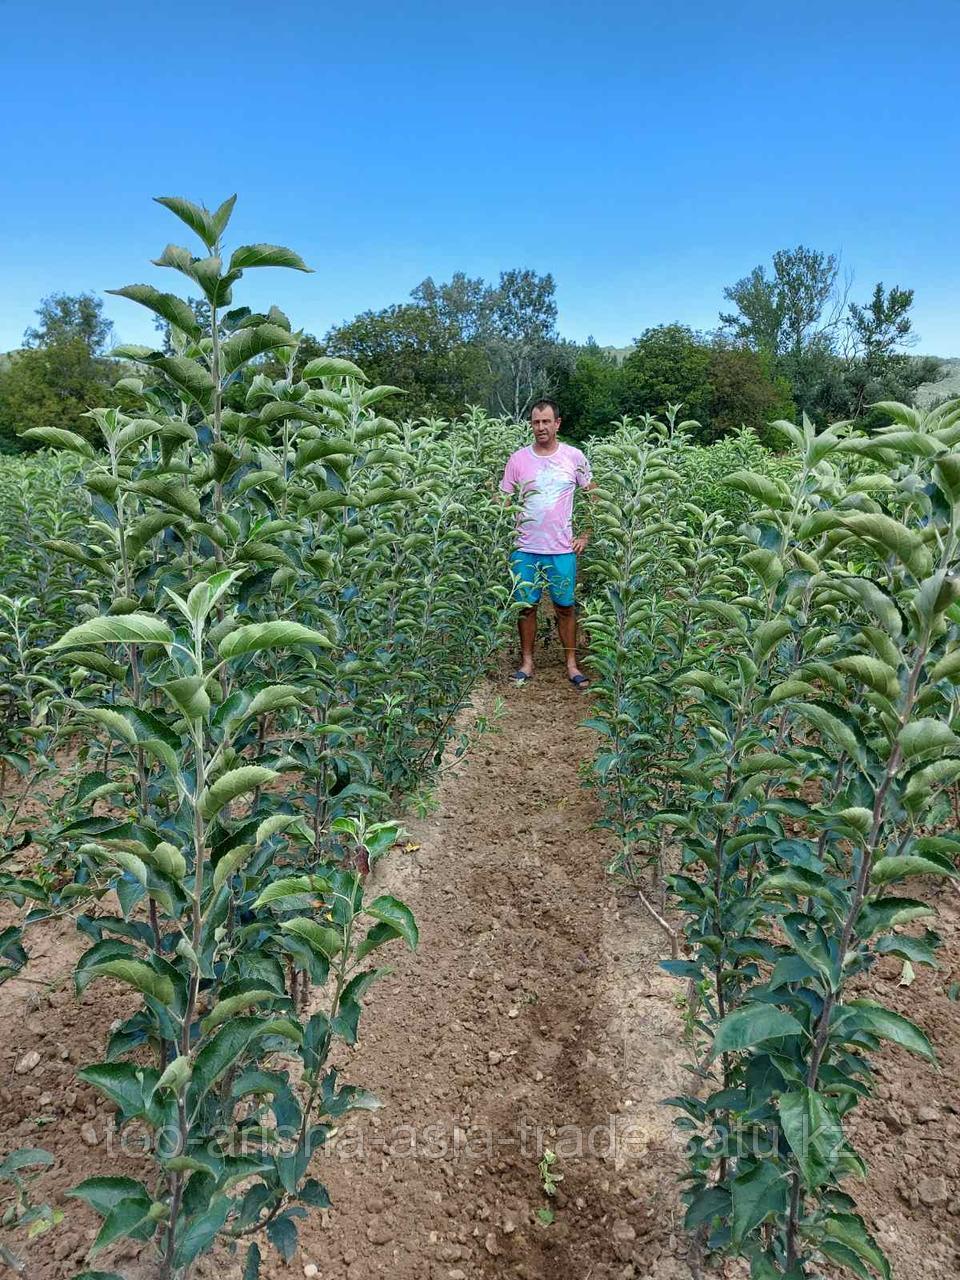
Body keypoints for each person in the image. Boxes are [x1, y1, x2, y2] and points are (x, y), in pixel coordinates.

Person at [499, 399, 596, 688]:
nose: (540, 427)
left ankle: (571, 665)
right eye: (535, 422)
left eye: (545, 421)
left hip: (561, 548)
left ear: (557, 423)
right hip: (525, 547)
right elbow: (503, 499)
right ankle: (527, 663)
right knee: (526, 607)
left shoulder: (574, 457)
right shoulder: (518, 459)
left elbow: (594, 497)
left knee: (564, 607)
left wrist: (586, 534)